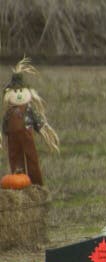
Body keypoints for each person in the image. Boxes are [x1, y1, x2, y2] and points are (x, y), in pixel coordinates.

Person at [1, 57, 59, 186]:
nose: (19, 94)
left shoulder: (29, 109)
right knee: (15, 158)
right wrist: (2, 136)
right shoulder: (9, 113)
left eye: (21, 91)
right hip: (12, 138)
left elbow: (39, 121)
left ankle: (36, 184)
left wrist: (45, 129)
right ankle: (18, 182)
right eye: (16, 91)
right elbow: (4, 126)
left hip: (27, 135)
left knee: (31, 157)